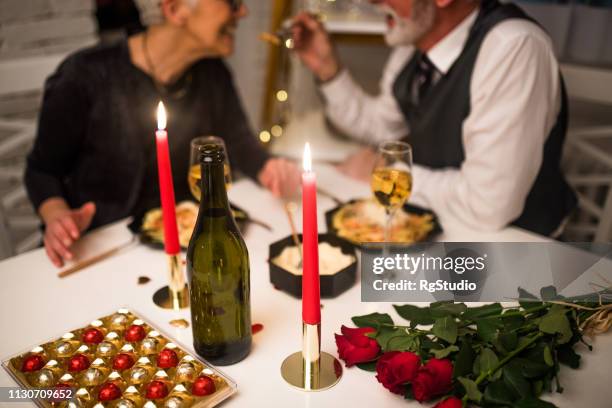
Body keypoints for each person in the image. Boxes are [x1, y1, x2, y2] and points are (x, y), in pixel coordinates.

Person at [25, 0, 301, 268]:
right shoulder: (85, 75)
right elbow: (42, 170)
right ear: (175, 9)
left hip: (182, 246)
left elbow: (238, 143)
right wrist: (57, 215)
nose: (243, 11)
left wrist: (267, 167)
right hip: (98, 250)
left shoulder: (213, 73)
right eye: (231, 2)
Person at [292, 0, 576, 236]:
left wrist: (386, 174)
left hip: (518, 249)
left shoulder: (513, 47)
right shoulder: (414, 44)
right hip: (440, 230)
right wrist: (327, 68)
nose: (371, 1)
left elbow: (488, 206)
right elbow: (380, 127)